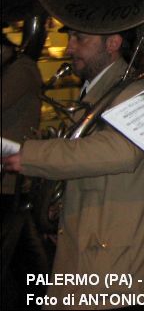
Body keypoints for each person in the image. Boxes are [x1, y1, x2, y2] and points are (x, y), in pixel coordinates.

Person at [1, 28, 144, 308]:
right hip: (95, 246)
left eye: (80, 39)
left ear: (113, 43)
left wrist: (34, 155)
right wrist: (62, 212)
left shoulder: (135, 90)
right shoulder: (96, 91)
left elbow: (121, 151)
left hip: (121, 262)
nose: (69, 48)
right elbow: (86, 166)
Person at [1, 34, 49, 309]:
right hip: (9, 175)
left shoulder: (22, 68)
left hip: (13, 175)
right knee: (20, 248)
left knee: (21, 246)